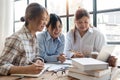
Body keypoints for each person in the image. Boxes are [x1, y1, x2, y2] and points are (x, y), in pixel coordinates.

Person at [0, 3, 48, 75]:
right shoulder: (17, 39)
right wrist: (26, 69)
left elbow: (35, 57)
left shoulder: (34, 37)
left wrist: (38, 61)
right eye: (43, 19)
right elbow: (1, 67)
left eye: (46, 20)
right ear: (30, 19)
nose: (45, 23)